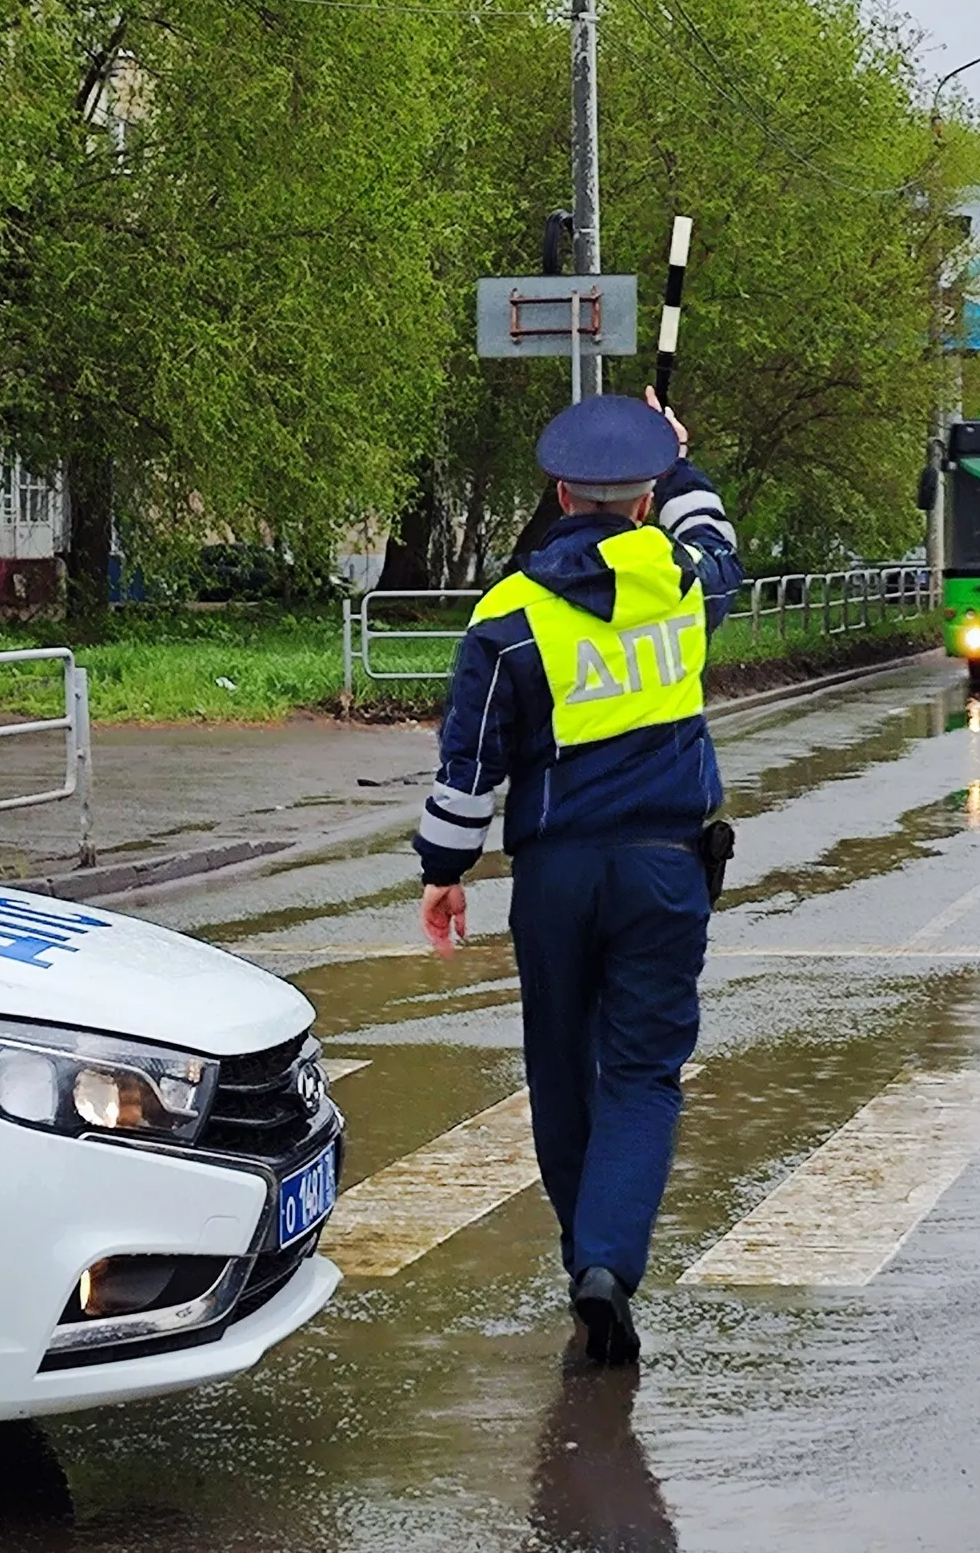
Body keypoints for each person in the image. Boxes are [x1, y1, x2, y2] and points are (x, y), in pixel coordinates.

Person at [413, 389, 743, 1369]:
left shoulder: (506, 617)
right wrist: (680, 457)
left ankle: (579, 1260)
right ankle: (609, 1262)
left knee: (560, 1069)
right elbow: (718, 544)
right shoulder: (684, 585)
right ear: (642, 499)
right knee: (641, 1074)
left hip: (555, 873)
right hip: (667, 870)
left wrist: (443, 870)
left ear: (560, 493)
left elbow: (469, 762)